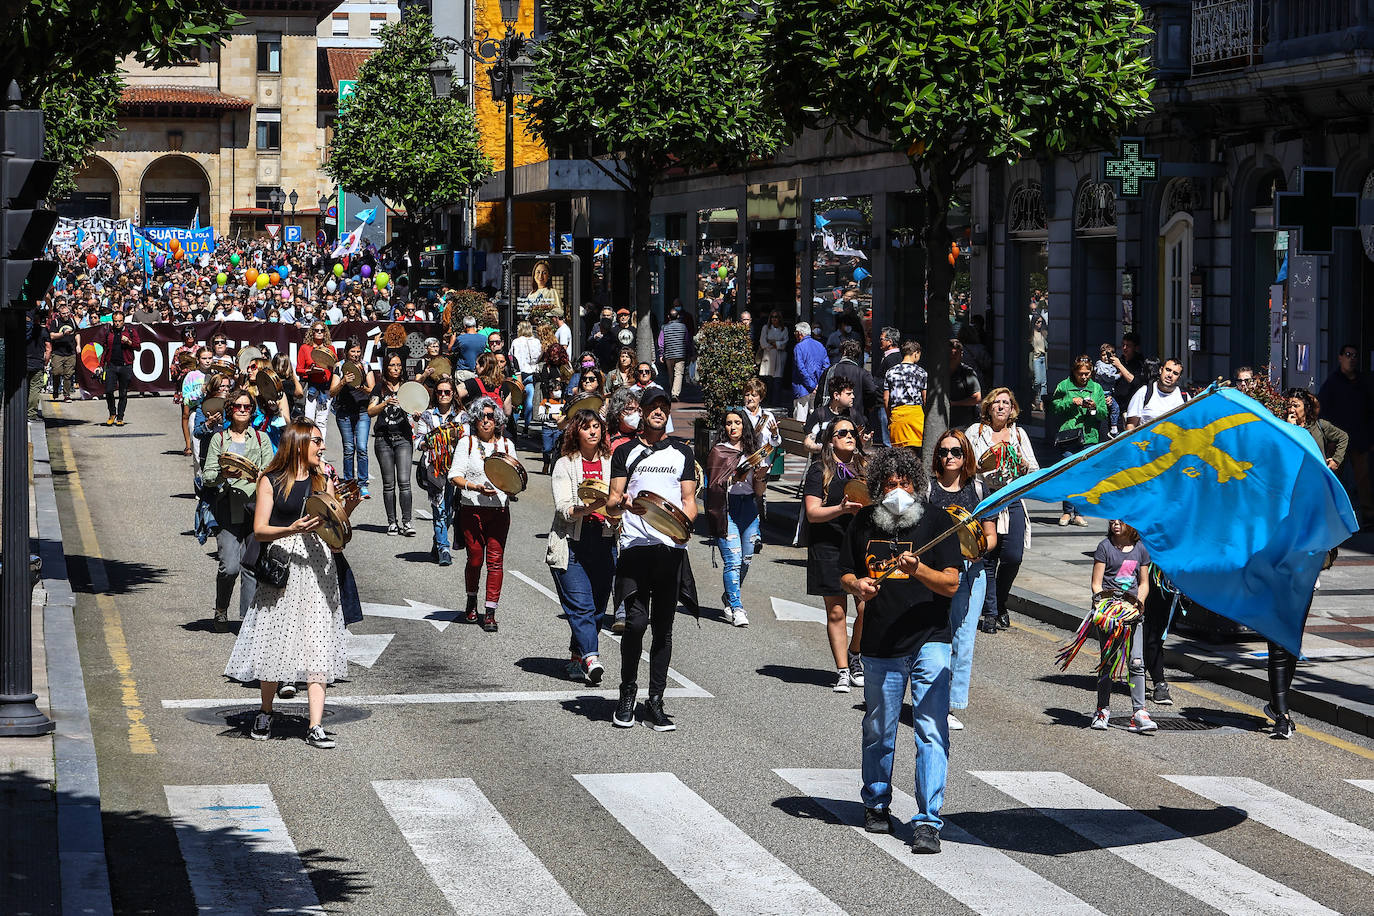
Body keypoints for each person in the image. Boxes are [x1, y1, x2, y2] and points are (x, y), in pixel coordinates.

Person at [839, 446, 961, 854]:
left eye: (905, 483)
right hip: (881, 642)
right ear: (877, 488)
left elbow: (951, 583)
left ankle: (927, 820)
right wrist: (857, 585)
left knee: (930, 728)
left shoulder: (937, 522)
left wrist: (918, 570)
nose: (898, 491)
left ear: (917, 485)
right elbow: (845, 571)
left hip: (931, 638)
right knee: (880, 728)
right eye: (889, 484)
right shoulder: (862, 523)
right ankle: (875, 801)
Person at [226, 421, 351, 749]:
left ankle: (315, 725)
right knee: (274, 638)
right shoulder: (270, 480)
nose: (322, 448)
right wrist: (292, 529)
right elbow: (260, 530)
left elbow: (335, 525)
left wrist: (339, 537)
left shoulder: (323, 479)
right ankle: (266, 711)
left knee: (318, 641)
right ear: (299, 444)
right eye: (317, 442)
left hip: (318, 567)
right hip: (282, 564)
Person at [605, 385, 697, 731]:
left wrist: (685, 524)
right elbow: (613, 499)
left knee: (663, 627)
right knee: (636, 624)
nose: (659, 411)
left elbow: (689, 500)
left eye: (664, 406)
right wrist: (623, 504)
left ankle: (655, 700)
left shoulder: (681, 453)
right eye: (653, 406)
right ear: (641, 411)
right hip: (635, 547)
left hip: (670, 549)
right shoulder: (625, 452)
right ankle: (627, 692)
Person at [928, 429, 996, 731]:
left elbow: (991, 535)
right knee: (934, 636)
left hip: (971, 572)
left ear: (965, 455)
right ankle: (927, 695)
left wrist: (979, 549)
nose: (949, 457)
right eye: (943, 452)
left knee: (964, 639)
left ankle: (948, 705)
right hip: (934, 573)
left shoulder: (978, 489)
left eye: (956, 452)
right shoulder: (927, 490)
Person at [547, 408, 615, 684]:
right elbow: (564, 508)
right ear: (576, 432)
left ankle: (577, 657)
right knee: (581, 606)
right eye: (587, 427)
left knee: (598, 608)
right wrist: (586, 508)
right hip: (572, 542)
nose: (593, 431)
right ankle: (591, 657)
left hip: (604, 541)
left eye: (597, 426)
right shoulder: (565, 464)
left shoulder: (612, 462)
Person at [202, 388, 275, 632]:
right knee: (229, 566)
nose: (242, 410)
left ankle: (248, 621)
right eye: (238, 407)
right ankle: (221, 608)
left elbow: (268, 471)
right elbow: (208, 476)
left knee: (251, 565)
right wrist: (223, 474)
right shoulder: (219, 439)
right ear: (230, 409)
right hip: (227, 508)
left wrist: (255, 474)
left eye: (247, 407)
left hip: (256, 508)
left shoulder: (262, 438)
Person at [966, 388, 1038, 633]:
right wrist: (979, 466)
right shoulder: (975, 433)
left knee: (1013, 557)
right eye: (996, 402)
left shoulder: (1019, 434)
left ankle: (1000, 601)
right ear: (988, 406)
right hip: (985, 500)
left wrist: (1023, 462)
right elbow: (965, 467)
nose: (1001, 406)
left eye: (1006, 403)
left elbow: (1035, 471)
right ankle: (990, 612)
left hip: (1012, 499)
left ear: (1012, 409)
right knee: (988, 557)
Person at [805, 417, 868, 692]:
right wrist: (841, 510)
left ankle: (855, 654)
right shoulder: (820, 470)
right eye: (842, 432)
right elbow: (812, 513)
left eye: (852, 432)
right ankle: (843, 670)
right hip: (828, 544)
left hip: (861, 546)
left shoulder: (865, 468)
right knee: (837, 611)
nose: (849, 436)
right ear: (831, 440)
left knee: (868, 605)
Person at [448, 395, 517, 632]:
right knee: (475, 558)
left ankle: (490, 612)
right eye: (481, 417)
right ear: (475, 421)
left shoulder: (507, 446)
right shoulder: (466, 443)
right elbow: (454, 475)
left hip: (498, 511)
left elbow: (516, 478)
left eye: (490, 417)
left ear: (497, 420)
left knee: (495, 562)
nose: (486, 421)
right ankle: (471, 598)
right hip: (472, 510)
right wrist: (475, 487)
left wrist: (510, 488)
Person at [1088, 519, 1155, 734]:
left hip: (1132, 614)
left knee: (1136, 662)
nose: (1115, 523)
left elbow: (1144, 582)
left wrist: (1138, 604)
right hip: (1109, 615)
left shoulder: (1141, 549)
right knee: (1108, 661)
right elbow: (1097, 583)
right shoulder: (1105, 547)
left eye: (1121, 519)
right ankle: (1102, 710)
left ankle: (1139, 712)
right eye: (1112, 520)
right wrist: (1104, 606)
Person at [705, 408, 767, 627]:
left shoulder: (754, 451)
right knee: (732, 560)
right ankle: (737, 607)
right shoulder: (719, 451)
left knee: (745, 561)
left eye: (737, 422)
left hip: (749, 508)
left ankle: (730, 596)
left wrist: (760, 477)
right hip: (726, 510)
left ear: (744, 425)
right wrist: (733, 478)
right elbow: (713, 486)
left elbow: (759, 492)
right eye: (729, 423)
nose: (733, 427)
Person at [1318, 344, 1374, 528]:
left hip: (1359, 437)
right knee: (1334, 476)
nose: (1351, 359)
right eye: (1348, 355)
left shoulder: (1363, 382)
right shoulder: (1332, 383)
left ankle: (1369, 515)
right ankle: (1331, 513)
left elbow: (1370, 409)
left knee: (1363, 477)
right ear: (1340, 357)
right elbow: (1322, 410)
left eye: (1354, 355)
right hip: (1338, 441)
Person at [1050, 356, 1107, 526]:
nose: (1084, 377)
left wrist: (1095, 407)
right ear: (1074, 372)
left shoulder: (1096, 388)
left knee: (1083, 474)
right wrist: (1071, 402)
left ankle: (1080, 513)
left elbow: (1104, 413)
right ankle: (1067, 512)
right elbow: (1053, 407)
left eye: (1087, 373)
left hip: (1089, 436)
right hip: (1068, 436)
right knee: (1069, 472)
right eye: (1080, 374)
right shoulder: (1064, 386)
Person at [414, 378, 463, 566]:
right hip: (434, 468)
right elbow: (418, 441)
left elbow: (465, 440)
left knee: (450, 510)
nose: (443, 395)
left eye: (447, 392)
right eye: (440, 392)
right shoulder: (427, 416)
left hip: (455, 469)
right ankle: (444, 548)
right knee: (439, 507)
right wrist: (429, 442)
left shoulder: (461, 417)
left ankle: (437, 543)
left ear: (453, 395)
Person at [367, 353, 417, 537]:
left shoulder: (407, 387)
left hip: (403, 438)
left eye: (398, 365)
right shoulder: (379, 388)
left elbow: (415, 406)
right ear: (386, 368)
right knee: (389, 484)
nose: (396, 368)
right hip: (383, 439)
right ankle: (392, 523)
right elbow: (370, 411)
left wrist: (416, 414)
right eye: (392, 365)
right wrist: (385, 402)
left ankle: (407, 522)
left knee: (405, 482)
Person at [329, 336, 375, 497]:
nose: (356, 354)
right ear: (346, 352)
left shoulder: (366, 366)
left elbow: (373, 390)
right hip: (344, 412)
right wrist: (343, 382)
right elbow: (332, 391)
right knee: (349, 449)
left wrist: (361, 386)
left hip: (362, 412)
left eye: (358, 351)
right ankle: (349, 483)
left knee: (362, 447)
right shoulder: (339, 367)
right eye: (352, 351)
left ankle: (362, 484)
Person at [1287, 388, 1347, 472]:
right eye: (1289, 406)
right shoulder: (1285, 427)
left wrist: (1336, 460)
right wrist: (1290, 429)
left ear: (1306, 408)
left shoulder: (1319, 425)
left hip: (1319, 476)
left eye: (1296, 406)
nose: (1291, 410)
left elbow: (1343, 437)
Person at [97, 309, 139, 426]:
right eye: (115, 321)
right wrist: (100, 366)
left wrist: (129, 342)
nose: (117, 323)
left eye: (120, 321)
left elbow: (138, 346)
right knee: (109, 391)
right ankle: (112, 413)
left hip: (126, 366)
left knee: (123, 393)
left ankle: (120, 416)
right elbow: (105, 350)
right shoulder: (108, 332)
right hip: (111, 366)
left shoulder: (130, 331)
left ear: (123, 321)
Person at [804, 376, 865, 453]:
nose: (853, 397)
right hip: (823, 461)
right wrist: (824, 449)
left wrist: (865, 440)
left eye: (852, 393)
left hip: (847, 462)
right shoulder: (820, 414)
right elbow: (808, 443)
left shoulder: (854, 415)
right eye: (848, 394)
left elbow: (863, 443)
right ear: (836, 395)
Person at [884, 340, 927, 448]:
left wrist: (890, 417)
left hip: (898, 415)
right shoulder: (921, 372)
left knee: (899, 455)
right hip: (916, 416)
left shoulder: (890, 372)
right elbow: (925, 397)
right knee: (917, 452)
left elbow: (886, 399)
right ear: (916, 353)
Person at [1125, 356, 1187, 430]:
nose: (1170, 375)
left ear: (1179, 378)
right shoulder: (1144, 392)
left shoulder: (1185, 397)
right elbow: (1131, 426)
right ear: (1161, 370)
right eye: (1168, 370)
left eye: (1175, 373)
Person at [297, 322, 334, 442]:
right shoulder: (304, 348)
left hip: (325, 389)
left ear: (325, 332)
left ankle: (320, 451)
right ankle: (307, 448)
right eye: (316, 330)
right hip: (311, 387)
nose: (319, 333)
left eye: (322, 330)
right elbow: (299, 369)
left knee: (322, 421)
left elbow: (334, 368)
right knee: (308, 420)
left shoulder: (330, 349)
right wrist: (309, 372)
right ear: (312, 332)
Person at [791, 321, 830, 421]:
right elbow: (826, 366)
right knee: (816, 418)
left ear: (799, 333)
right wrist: (818, 384)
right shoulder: (820, 346)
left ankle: (799, 437)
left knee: (800, 418)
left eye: (795, 333)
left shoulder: (799, 347)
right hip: (816, 387)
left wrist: (811, 385)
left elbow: (801, 369)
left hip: (802, 388)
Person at [511, 320, 543, 436]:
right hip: (531, 372)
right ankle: (526, 426)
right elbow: (539, 356)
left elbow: (512, 356)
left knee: (517, 399)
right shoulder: (536, 341)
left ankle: (514, 426)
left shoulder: (516, 341)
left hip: (519, 372)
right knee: (529, 399)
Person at [46, 302, 78, 402]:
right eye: (64, 313)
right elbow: (52, 336)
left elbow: (77, 333)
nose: (66, 315)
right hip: (58, 353)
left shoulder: (72, 321)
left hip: (70, 353)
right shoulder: (55, 323)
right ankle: (55, 389)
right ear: (60, 314)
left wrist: (78, 345)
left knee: (68, 375)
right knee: (56, 372)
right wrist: (63, 334)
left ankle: (66, 395)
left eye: (68, 313)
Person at [947, 339, 982, 429]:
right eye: (950, 354)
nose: (952, 356)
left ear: (961, 354)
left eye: (955, 354)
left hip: (962, 423)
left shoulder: (967, 372)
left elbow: (977, 398)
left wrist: (954, 403)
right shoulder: (939, 373)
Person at [659, 307, 692, 398]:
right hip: (680, 354)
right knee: (678, 373)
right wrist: (689, 353)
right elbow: (687, 341)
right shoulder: (683, 327)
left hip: (669, 354)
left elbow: (661, 342)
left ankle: (673, 391)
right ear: (678, 316)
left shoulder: (664, 327)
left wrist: (661, 354)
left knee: (671, 374)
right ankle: (675, 393)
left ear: (668, 317)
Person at [758, 311, 789, 406]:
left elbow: (785, 343)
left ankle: (775, 404)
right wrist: (773, 344)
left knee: (777, 382)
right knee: (767, 382)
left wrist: (775, 343)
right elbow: (763, 342)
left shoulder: (784, 329)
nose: (774, 319)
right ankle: (766, 403)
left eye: (776, 317)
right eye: (772, 317)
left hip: (779, 358)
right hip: (768, 357)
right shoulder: (766, 328)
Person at [1109, 331, 1145, 415]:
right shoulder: (1120, 360)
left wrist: (1120, 366)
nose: (1124, 348)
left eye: (1128, 346)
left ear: (1136, 347)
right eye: (1123, 345)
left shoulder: (1140, 363)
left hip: (1131, 407)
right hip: (1116, 405)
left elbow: (1136, 382)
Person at [454, 315, 487, 379]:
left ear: (464, 326)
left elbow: (452, 349)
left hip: (463, 372)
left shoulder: (460, 338)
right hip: (478, 371)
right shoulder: (483, 338)